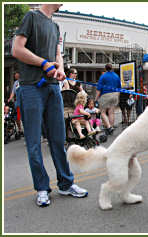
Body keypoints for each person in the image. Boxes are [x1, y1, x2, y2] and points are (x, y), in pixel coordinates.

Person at [12, 4, 88, 207]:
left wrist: (60, 69)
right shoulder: (31, 17)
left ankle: (66, 183)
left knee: (58, 138)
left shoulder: (55, 27)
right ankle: (42, 188)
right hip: (31, 88)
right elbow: (17, 49)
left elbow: (57, 55)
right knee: (34, 143)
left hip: (53, 87)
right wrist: (43, 64)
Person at [95, 63, 121, 135]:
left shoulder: (103, 76)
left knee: (102, 112)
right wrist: (117, 96)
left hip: (105, 95)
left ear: (105, 69)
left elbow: (99, 89)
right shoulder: (116, 76)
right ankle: (111, 127)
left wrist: (96, 99)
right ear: (112, 68)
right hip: (115, 95)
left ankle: (109, 127)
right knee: (111, 112)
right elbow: (119, 88)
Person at [7, 72, 24, 136]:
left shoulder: (23, 81)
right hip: (18, 102)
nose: (15, 76)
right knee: (17, 117)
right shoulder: (15, 83)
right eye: (15, 75)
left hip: (24, 101)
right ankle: (20, 130)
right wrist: (10, 98)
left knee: (24, 117)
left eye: (17, 74)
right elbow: (13, 92)